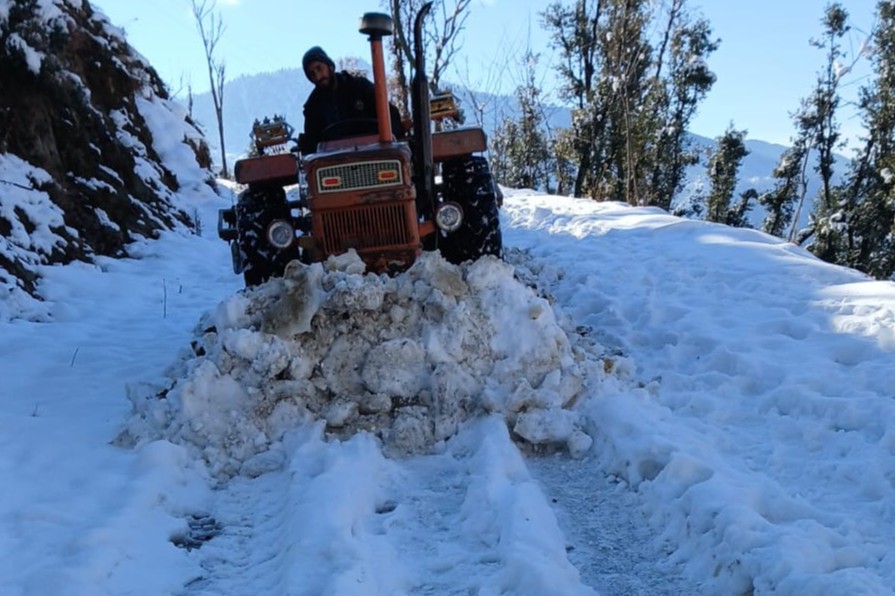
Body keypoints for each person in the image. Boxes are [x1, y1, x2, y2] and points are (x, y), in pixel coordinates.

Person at [299, 46, 404, 155]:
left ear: (329, 66)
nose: (318, 76)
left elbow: (390, 116)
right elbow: (311, 144)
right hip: (334, 160)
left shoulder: (360, 87)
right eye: (312, 74)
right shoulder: (312, 107)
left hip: (373, 153)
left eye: (319, 68)